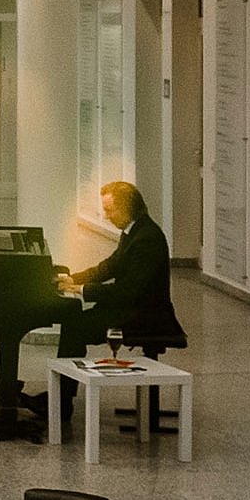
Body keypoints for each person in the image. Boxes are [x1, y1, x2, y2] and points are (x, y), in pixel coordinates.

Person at [31, 181, 184, 425]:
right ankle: (61, 399)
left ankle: (61, 404)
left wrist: (82, 290)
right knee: (75, 323)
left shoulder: (147, 239)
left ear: (128, 209)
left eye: (110, 210)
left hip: (144, 315)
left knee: (76, 326)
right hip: (130, 308)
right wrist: (75, 278)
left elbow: (128, 291)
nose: (107, 216)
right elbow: (110, 266)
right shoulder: (135, 231)